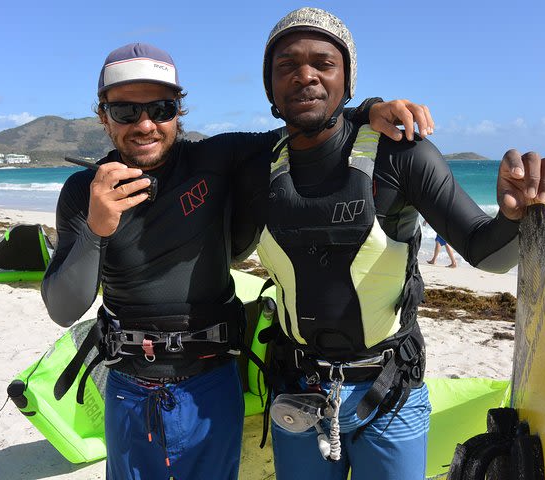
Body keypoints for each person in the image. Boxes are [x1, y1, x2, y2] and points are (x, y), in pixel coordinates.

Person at [41, 42, 434, 479]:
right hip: (128, 386)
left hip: (211, 383)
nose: (146, 125)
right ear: (103, 116)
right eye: (126, 112)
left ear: (179, 111)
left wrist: (367, 110)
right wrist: (96, 228)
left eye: (162, 108)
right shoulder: (84, 191)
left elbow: (305, 126)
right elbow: (63, 308)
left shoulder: (215, 160)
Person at [253, 8, 545, 480]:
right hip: (298, 389)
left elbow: (487, 253)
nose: (305, 76)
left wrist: (514, 216)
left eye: (324, 62)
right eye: (286, 65)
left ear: (348, 78)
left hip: (390, 392)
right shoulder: (254, 163)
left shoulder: (403, 155)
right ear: (269, 85)